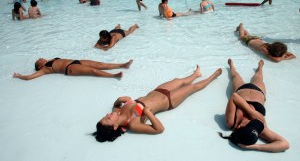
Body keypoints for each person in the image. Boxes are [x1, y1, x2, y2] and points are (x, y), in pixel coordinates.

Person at [92, 66, 222, 142]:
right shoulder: (132, 124)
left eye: (106, 115)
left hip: (156, 91)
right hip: (169, 101)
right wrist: (148, 113)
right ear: (115, 126)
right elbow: (159, 129)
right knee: (193, 88)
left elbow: (116, 105)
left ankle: (196, 74)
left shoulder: (117, 112)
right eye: (108, 118)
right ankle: (213, 77)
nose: (109, 114)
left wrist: (119, 100)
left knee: (179, 81)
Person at [219, 59, 289, 152]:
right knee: (259, 76)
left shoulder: (232, 122)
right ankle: (260, 67)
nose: (251, 122)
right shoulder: (259, 127)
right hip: (259, 90)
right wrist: (256, 147)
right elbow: (285, 144)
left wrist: (251, 112)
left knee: (235, 75)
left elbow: (234, 96)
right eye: (252, 124)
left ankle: (231, 66)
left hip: (241, 89)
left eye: (248, 124)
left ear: (239, 128)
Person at [13, 58, 133, 80]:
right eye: (38, 60)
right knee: (93, 71)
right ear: (39, 65)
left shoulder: (49, 60)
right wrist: (19, 76)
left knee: (100, 64)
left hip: (76, 61)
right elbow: (30, 77)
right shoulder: (44, 69)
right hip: (70, 68)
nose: (40, 58)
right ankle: (113, 76)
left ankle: (122, 65)